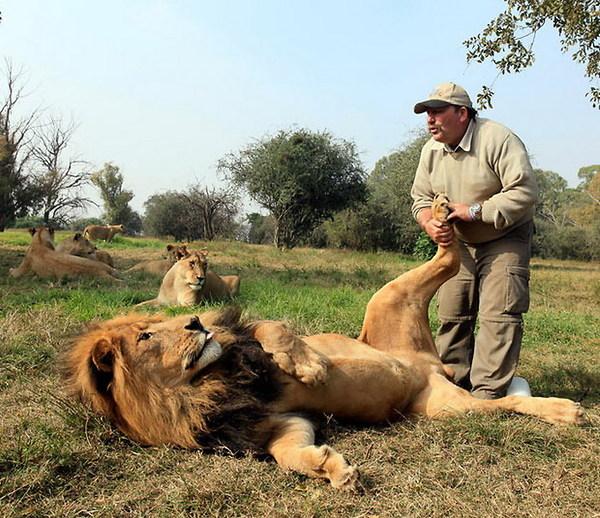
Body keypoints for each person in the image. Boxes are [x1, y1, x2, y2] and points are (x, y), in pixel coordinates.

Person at [410, 82, 538, 399]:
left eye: (438, 112)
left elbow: (524, 193)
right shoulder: (431, 151)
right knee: (453, 313)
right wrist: (429, 223)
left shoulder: (497, 139)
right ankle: (453, 385)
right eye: (427, 113)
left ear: (462, 113)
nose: (430, 119)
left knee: (499, 314)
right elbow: (420, 199)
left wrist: (476, 210)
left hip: (505, 236)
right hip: (459, 242)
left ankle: (488, 393)